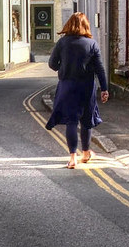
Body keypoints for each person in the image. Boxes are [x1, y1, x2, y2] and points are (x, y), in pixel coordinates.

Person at [46, 12, 109, 168]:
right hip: (87, 87)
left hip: (67, 86)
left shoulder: (62, 43)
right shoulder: (91, 44)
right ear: (85, 25)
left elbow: (52, 64)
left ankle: (73, 158)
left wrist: (64, 67)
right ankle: (86, 153)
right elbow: (100, 69)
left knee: (71, 121)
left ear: (69, 24)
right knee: (86, 121)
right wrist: (104, 89)